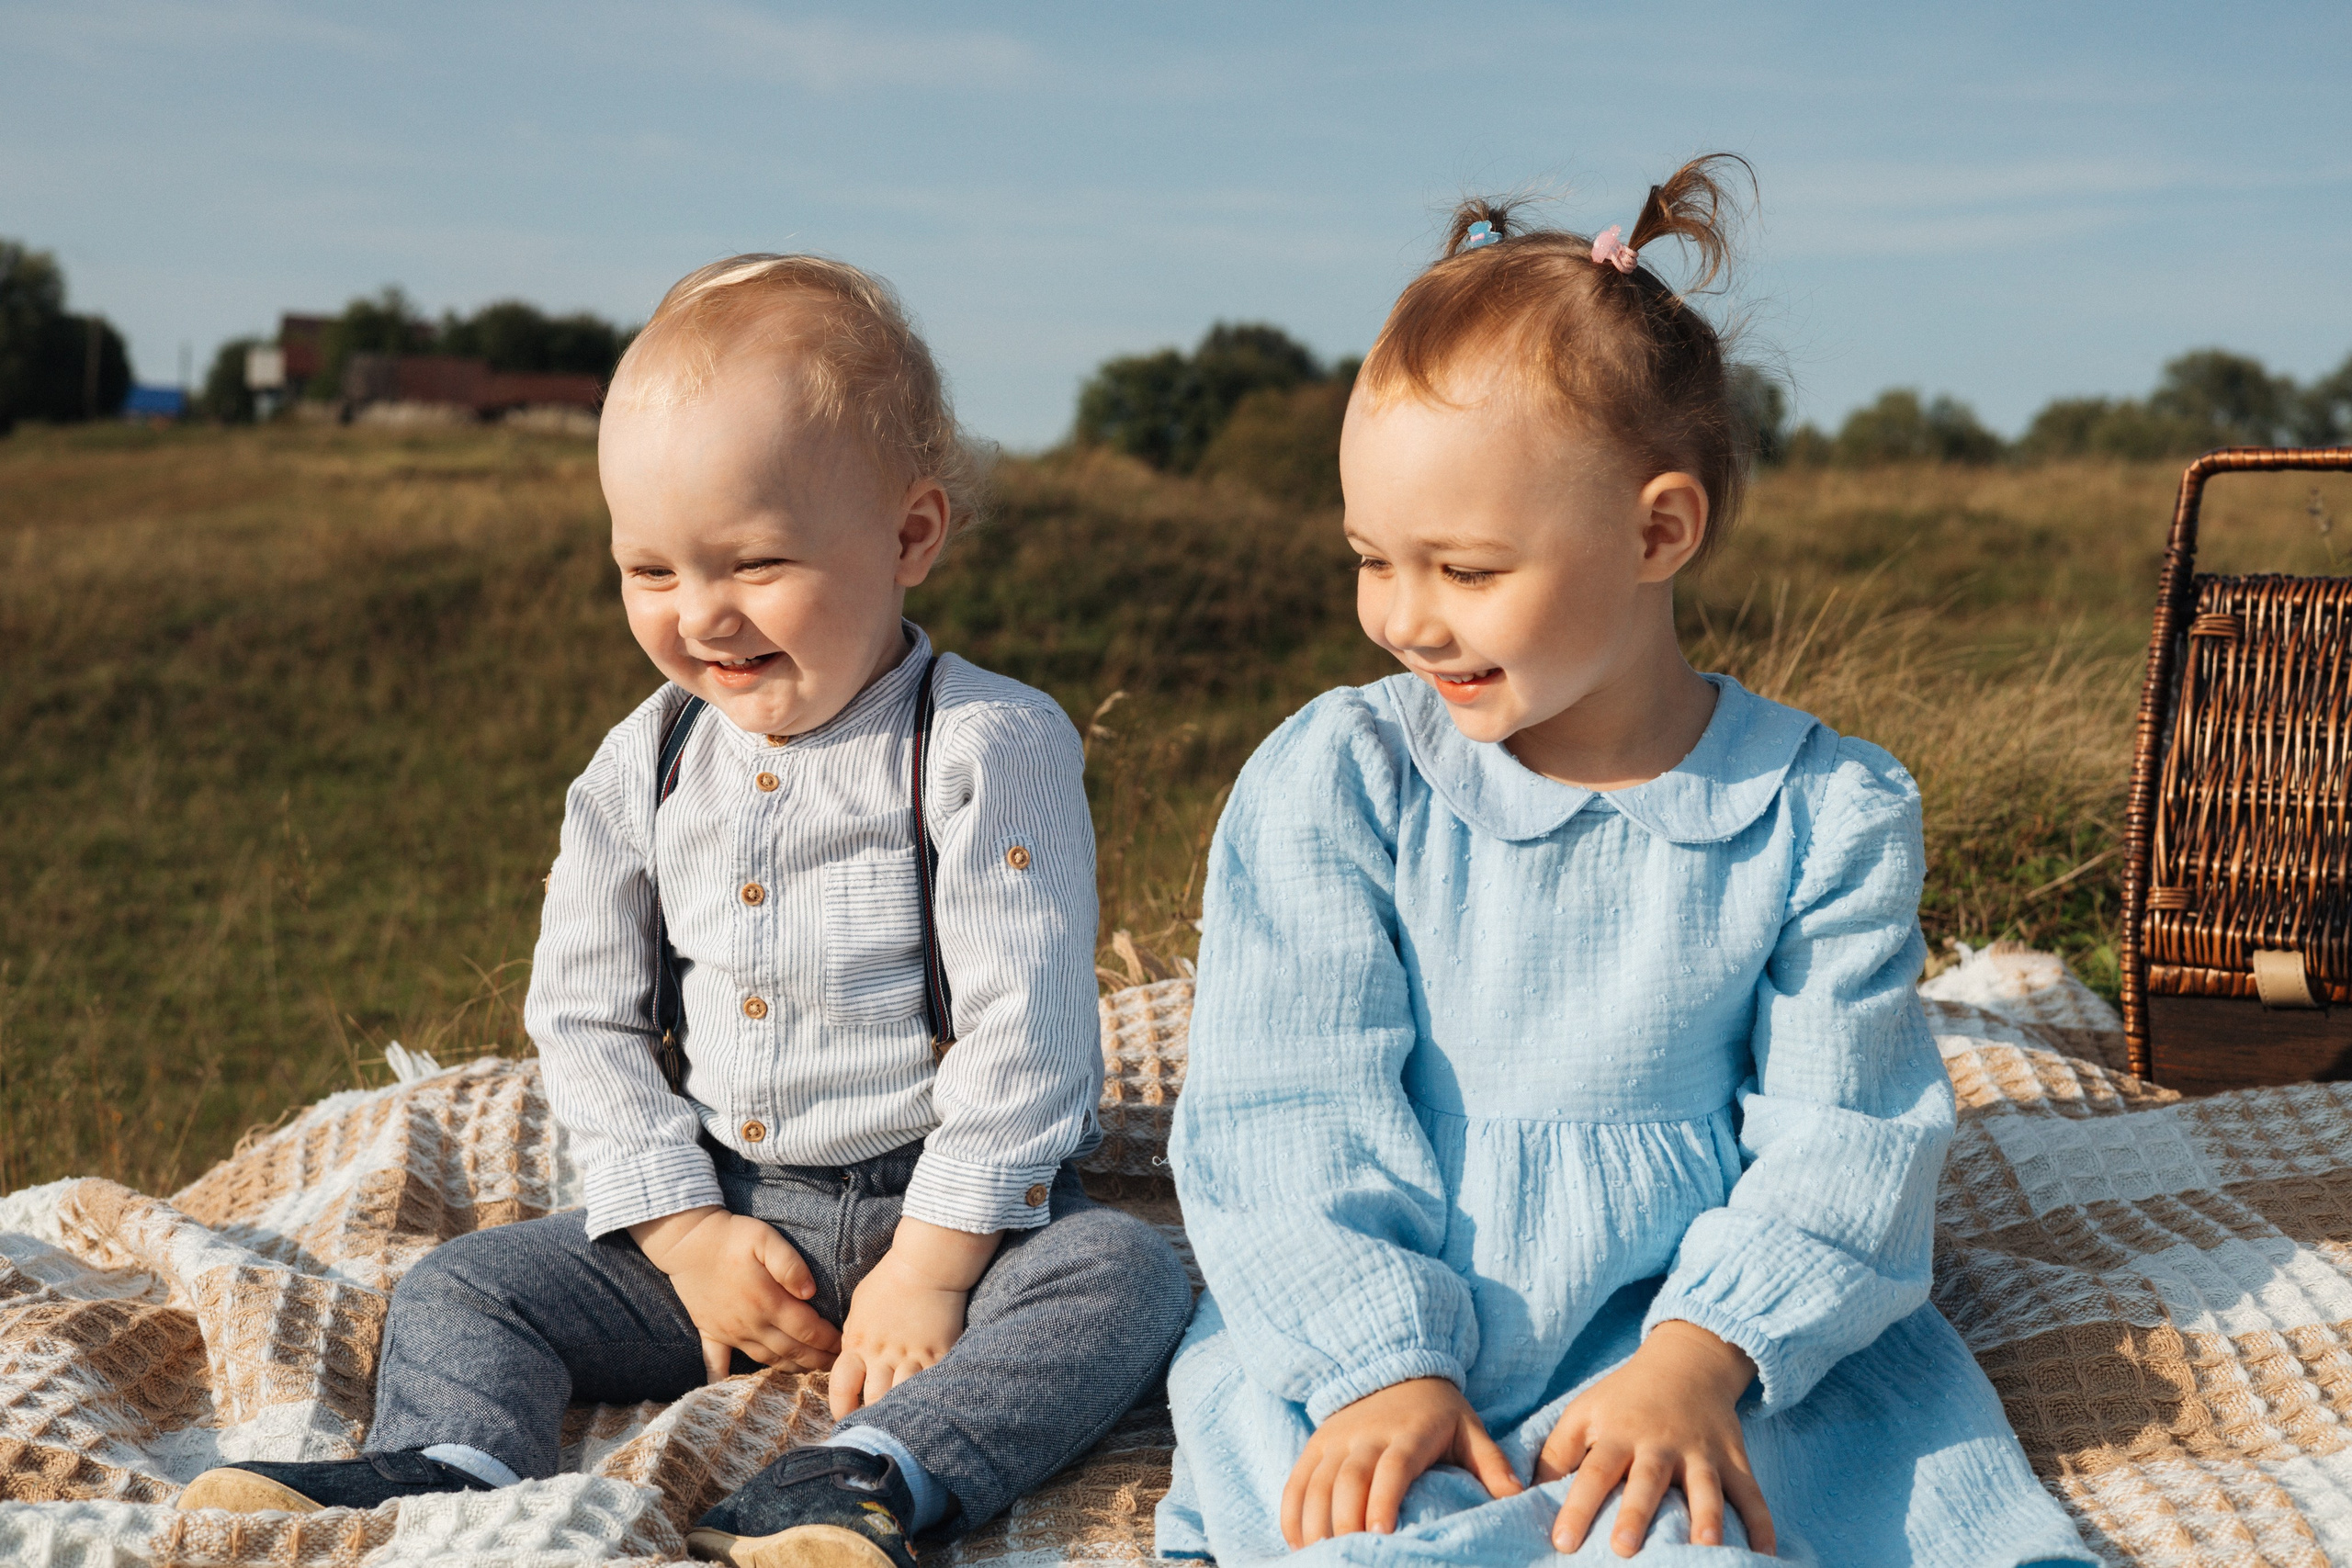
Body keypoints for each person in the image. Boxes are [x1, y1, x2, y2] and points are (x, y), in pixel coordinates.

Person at [177, 254, 1194, 1568]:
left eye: (755, 561)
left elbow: (1031, 1037)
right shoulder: (641, 762)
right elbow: (585, 1016)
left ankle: (869, 1473)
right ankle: (459, 1457)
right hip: (725, 1212)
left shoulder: (988, 744)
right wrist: (685, 1230)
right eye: (648, 569)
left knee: (1126, 1280)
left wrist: (935, 1267)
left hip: (954, 1215)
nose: (699, 613)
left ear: (910, 535)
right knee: (466, 1282)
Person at [1153, 159, 2093, 1567]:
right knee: (1347, 1499)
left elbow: (1849, 1136)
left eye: (1465, 571)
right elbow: (1283, 1106)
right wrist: (1375, 1359)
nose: (1405, 619)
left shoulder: (1821, 809)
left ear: (1660, 528)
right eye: (1372, 559)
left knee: (1722, 1504)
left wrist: (1707, 1354)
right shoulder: (1344, 780)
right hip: (1397, 1304)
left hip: (1700, 1313)